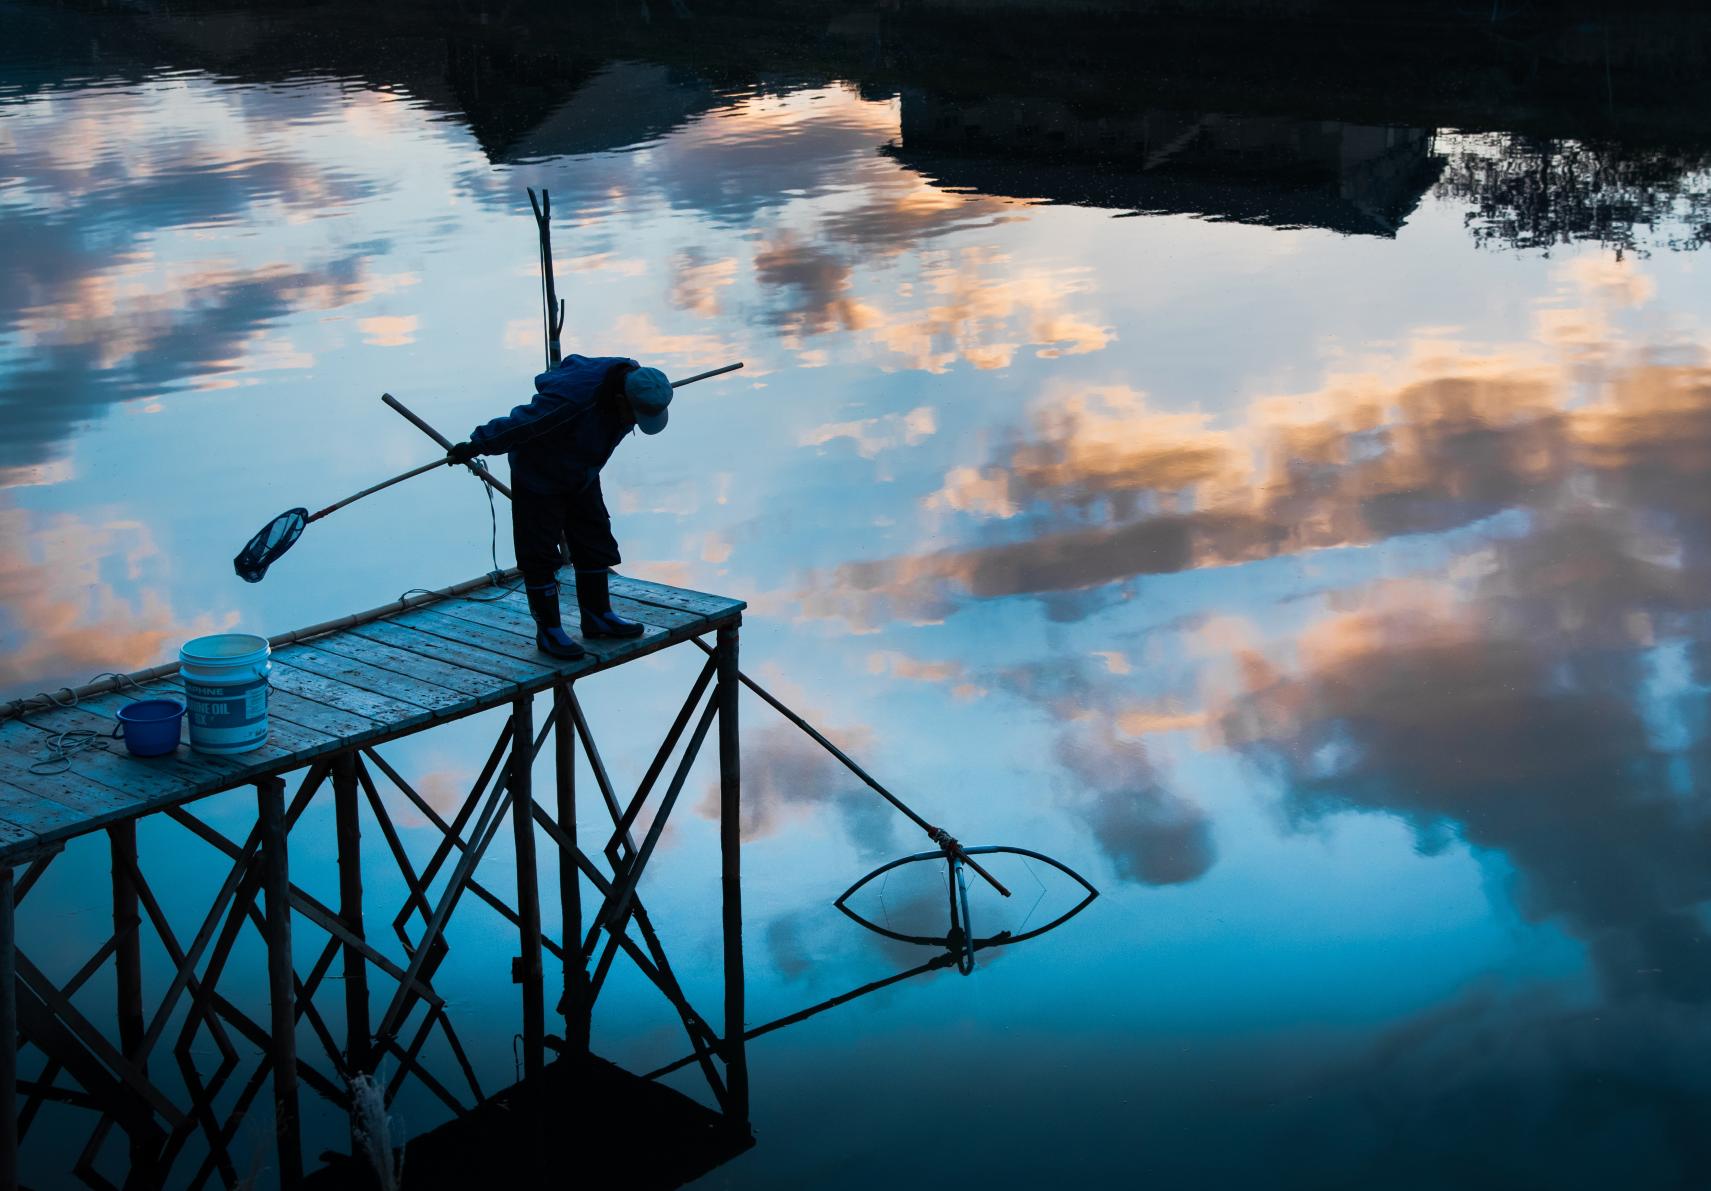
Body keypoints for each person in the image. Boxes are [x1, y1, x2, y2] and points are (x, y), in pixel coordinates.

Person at [447, 355, 672, 661]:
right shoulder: (570, 403)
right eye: (634, 415)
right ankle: (550, 631)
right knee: (539, 552)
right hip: (539, 472)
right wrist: (477, 444)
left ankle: (597, 616)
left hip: (583, 467)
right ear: (620, 399)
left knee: (594, 536)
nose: (633, 422)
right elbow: (523, 423)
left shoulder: (636, 380)